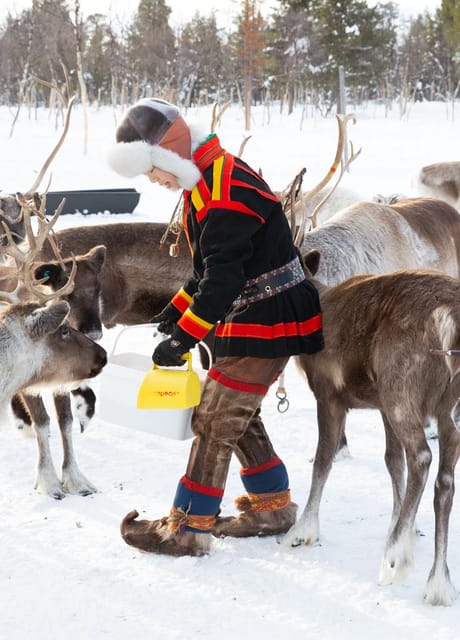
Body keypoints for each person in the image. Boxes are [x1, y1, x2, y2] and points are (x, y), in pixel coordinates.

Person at [106, 98, 324, 557]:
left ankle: (187, 529)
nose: (153, 181)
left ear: (168, 155)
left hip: (271, 312)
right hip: (252, 308)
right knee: (235, 410)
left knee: (215, 416)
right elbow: (207, 271)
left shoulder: (225, 188)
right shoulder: (204, 183)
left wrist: (185, 336)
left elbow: (224, 277)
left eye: (151, 170)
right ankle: (272, 507)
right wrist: (177, 312)